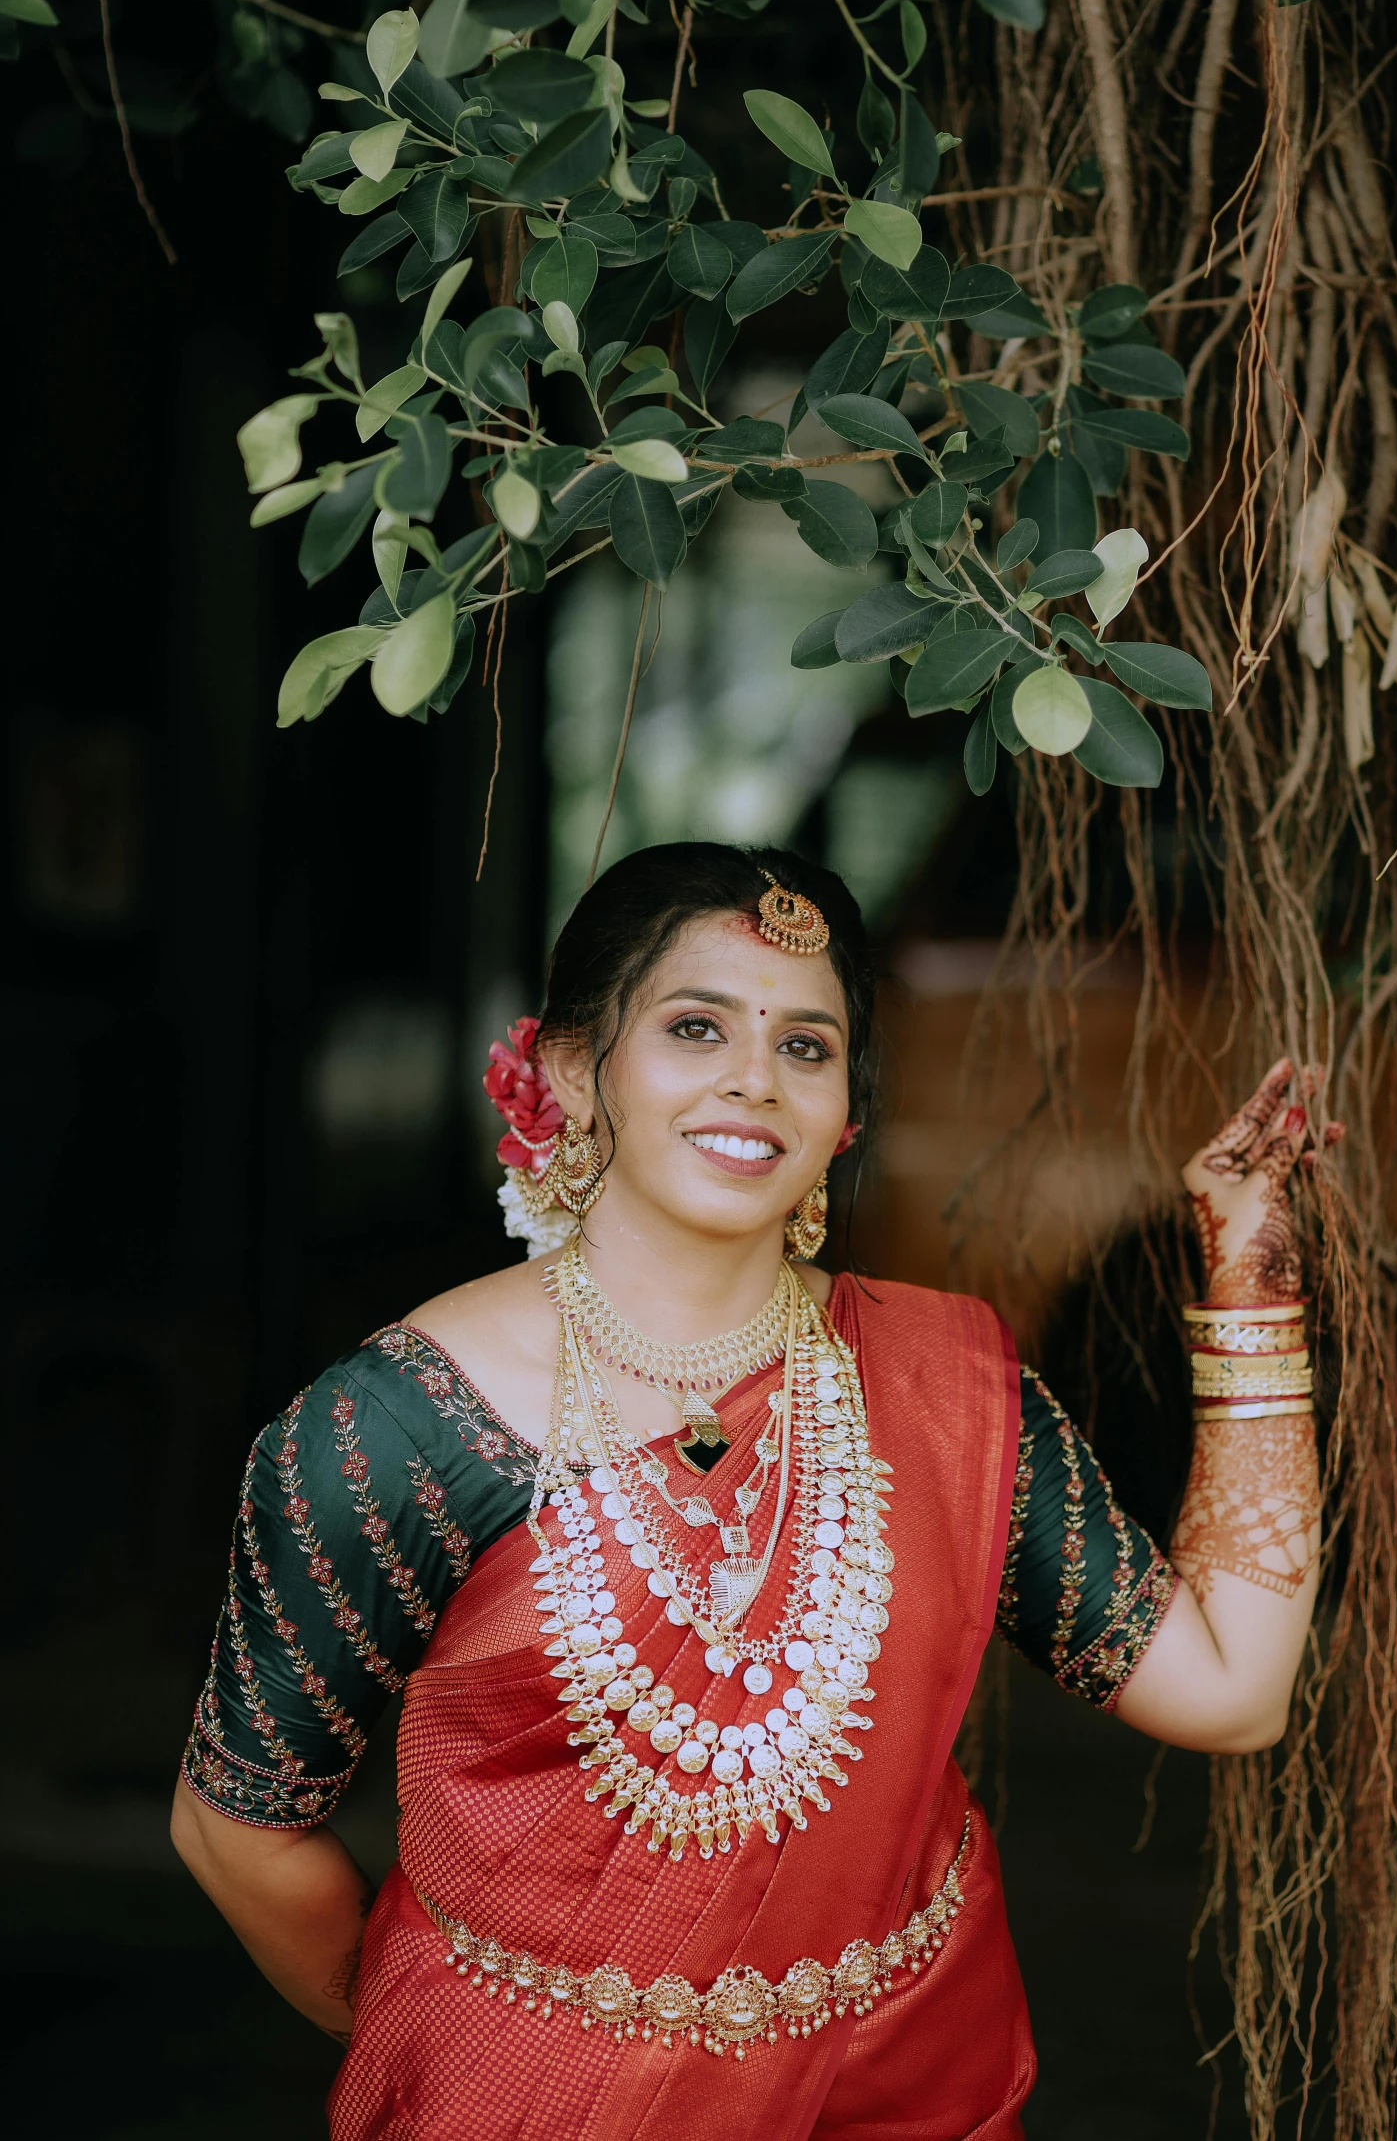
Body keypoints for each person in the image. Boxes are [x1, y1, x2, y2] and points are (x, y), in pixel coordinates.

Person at [171, 841, 1337, 2140]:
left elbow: (1231, 1689)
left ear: (844, 1113)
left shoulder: (952, 1390)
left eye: (805, 1044)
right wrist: (478, 2029)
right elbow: (240, 1834)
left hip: (904, 2095)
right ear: (569, 1067)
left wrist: (1253, 1280)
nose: (752, 1079)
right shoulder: (387, 1433)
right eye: (693, 1025)